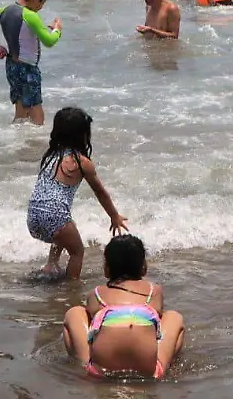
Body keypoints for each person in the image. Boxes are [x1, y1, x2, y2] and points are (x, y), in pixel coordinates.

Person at [62, 234, 186, 379]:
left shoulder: (96, 294)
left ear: (106, 269)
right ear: (144, 267)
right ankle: (163, 366)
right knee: (173, 317)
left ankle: (86, 364)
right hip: (149, 371)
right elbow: (158, 317)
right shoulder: (154, 291)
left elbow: (92, 320)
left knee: (75, 313)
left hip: (100, 370)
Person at [26, 107, 128, 280]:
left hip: (33, 218)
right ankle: (71, 286)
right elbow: (100, 192)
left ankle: (51, 265)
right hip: (57, 218)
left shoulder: (50, 156)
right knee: (77, 251)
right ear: (82, 135)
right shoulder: (82, 163)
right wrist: (114, 216)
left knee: (66, 226)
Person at [0, 0, 63, 125]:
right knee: (37, 116)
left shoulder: (5, 10)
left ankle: (15, 138)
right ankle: (36, 140)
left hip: (11, 66)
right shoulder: (30, 15)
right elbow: (49, 41)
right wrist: (57, 30)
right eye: (41, 4)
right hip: (28, 69)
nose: (40, 8)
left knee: (21, 113)